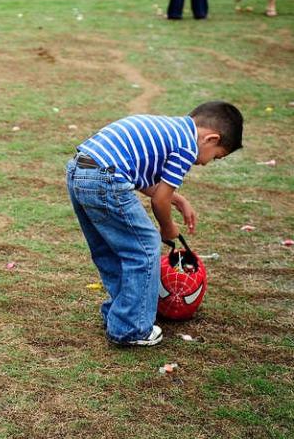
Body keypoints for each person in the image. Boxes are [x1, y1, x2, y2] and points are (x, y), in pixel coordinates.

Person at [66, 101, 243, 346]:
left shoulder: (170, 128)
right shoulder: (187, 147)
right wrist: (167, 227)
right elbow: (160, 200)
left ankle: (119, 314)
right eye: (216, 157)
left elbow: (135, 172)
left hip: (80, 169)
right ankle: (132, 328)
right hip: (106, 178)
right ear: (211, 139)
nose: (205, 163)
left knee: (109, 249)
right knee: (145, 247)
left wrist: (177, 198)